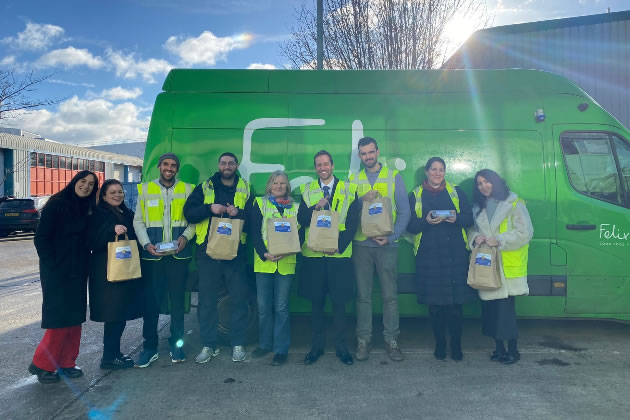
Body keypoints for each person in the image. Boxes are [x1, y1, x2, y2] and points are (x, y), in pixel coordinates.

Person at [28, 170, 98, 384]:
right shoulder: (56, 204)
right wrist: (53, 265)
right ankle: (42, 364)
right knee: (59, 320)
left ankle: (67, 361)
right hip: (57, 273)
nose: (86, 186)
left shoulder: (86, 208)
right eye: (83, 181)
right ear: (75, 181)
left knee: (75, 318)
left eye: (91, 184)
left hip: (78, 271)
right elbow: (41, 238)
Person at [183, 152, 251, 364]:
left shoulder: (245, 188)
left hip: (235, 254)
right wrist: (209, 208)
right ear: (219, 165)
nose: (227, 166)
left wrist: (238, 212)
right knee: (207, 302)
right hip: (208, 253)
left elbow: (254, 218)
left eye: (231, 163)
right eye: (224, 163)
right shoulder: (205, 188)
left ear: (236, 165)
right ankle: (208, 345)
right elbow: (189, 212)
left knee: (239, 300)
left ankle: (237, 344)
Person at [406, 157, 475, 361]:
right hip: (429, 257)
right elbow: (409, 225)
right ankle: (440, 345)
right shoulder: (416, 194)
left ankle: (456, 345)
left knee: (455, 307)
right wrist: (426, 221)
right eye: (434, 169)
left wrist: (456, 219)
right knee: (435, 307)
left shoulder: (456, 192)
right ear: (426, 172)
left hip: (455, 257)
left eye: (441, 170)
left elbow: (469, 218)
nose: (437, 173)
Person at [348, 137, 410, 362]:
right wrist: (358, 200)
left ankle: (391, 340)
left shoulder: (393, 177)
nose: (368, 157)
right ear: (359, 155)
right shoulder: (353, 180)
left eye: (371, 152)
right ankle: (363, 340)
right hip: (361, 245)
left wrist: (392, 237)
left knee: (390, 297)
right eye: (363, 154)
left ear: (377, 151)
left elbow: (405, 212)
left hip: (387, 246)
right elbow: (346, 211)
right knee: (363, 297)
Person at [297, 150, 359, 366]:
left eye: (326, 164)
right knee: (317, 305)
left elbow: (353, 223)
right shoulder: (308, 190)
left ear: (332, 166)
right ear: (315, 168)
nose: (322, 168)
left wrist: (338, 246)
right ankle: (316, 348)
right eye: (318, 165)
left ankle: (342, 349)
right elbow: (301, 219)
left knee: (339, 304)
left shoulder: (347, 189)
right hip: (314, 256)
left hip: (339, 256)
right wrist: (316, 206)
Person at [133, 153, 195, 367]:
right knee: (151, 303)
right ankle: (149, 347)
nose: (169, 168)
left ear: (177, 169)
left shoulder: (188, 189)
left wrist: (186, 237)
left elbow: (195, 220)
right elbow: (139, 221)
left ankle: (176, 344)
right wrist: (146, 244)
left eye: (173, 165)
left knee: (177, 302)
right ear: (159, 167)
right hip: (154, 256)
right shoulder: (146, 189)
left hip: (178, 255)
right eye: (166, 164)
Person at [468, 169, 534, 365]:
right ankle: (498, 349)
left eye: (487, 182)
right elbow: (472, 229)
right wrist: (474, 238)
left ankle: (513, 350)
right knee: (492, 310)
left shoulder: (514, 203)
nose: (483, 186)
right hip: (487, 266)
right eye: (479, 183)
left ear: (496, 182)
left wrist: (500, 240)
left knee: (505, 312)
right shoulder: (478, 207)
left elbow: (525, 232)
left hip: (507, 267)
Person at [88, 179, 144, 370]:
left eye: (120, 192)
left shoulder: (124, 211)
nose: (117, 195)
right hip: (107, 273)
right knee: (113, 316)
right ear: (103, 195)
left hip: (121, 271)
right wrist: (111, 229)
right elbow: (92, 239)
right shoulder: (99, 213)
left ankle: (114, 353)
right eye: (112, 192)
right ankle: (109, 357)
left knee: (119, 316)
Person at [246, 170, 299, 366]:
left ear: (287, 187)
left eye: (282, 183)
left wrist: (288, 250)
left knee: (282, 308)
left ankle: (281, 350)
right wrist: (264, 253)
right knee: (263, 308)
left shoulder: (295, 207)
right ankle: (265, 344)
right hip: (264, 263)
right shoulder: (259, 204)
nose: (279, 186)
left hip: (286, 263)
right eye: (275, 183)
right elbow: (254, 232)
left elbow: (299, 236)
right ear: (269, 186)